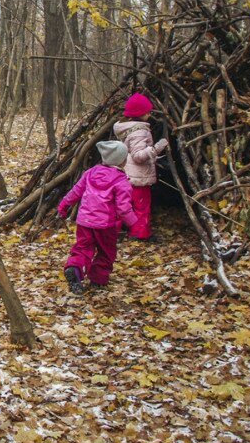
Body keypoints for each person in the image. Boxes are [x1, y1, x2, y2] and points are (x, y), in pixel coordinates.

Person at [58, 140, 138, 295]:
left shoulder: (90, 173)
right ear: (122, 160)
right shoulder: (122, 182)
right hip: (105, 225)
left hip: (84, 222)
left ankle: (75, 268)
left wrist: (63, 206)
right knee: (106, 251)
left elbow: (75, 192)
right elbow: (123, 208)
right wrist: (133, 224)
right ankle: (98, 279)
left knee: (83, 248)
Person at [113, 93, 169, 242]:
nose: (149, 114)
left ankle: (114, 232)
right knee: (141, 207)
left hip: (126, 175)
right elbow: (138, 156)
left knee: (123, 205)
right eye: (147, 112)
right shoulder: (140, 131)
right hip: (138, 178)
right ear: (139, 114)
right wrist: (157, 148)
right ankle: (140, 234)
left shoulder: (126, 129)